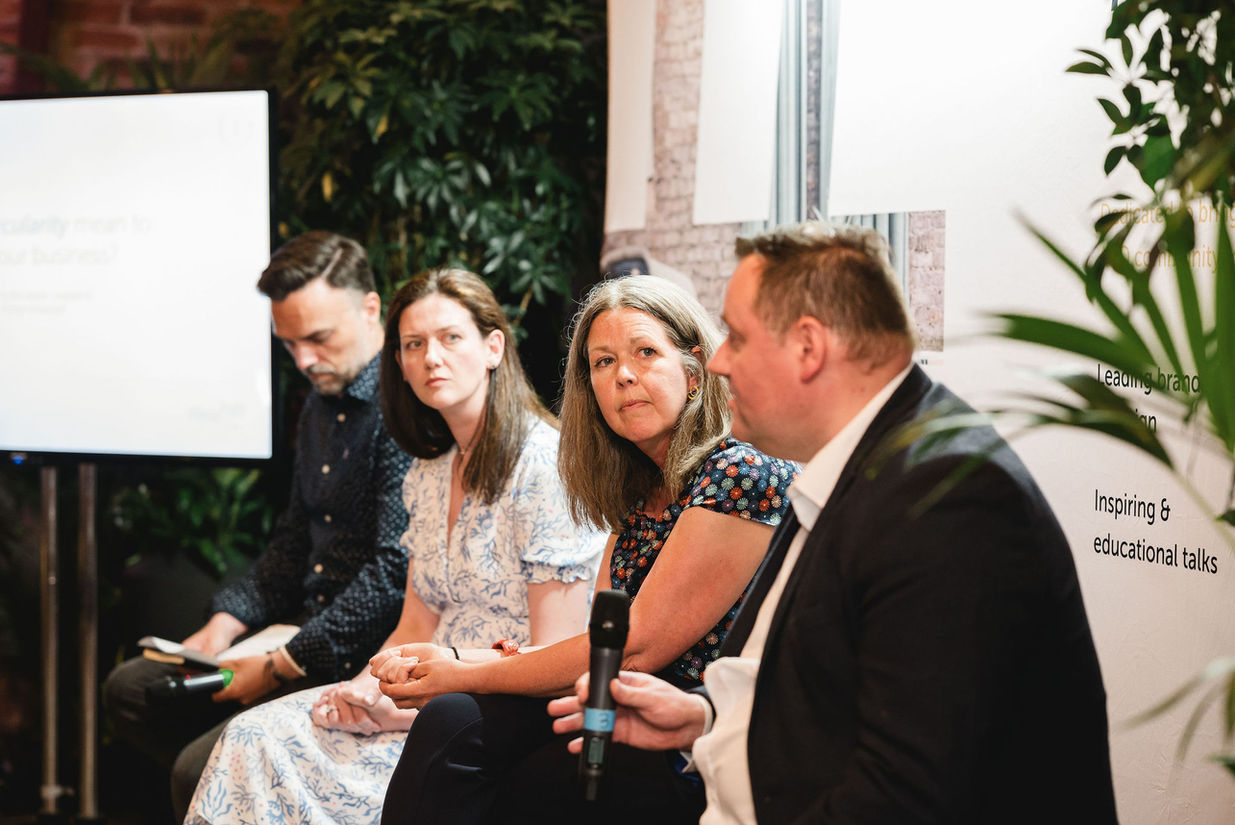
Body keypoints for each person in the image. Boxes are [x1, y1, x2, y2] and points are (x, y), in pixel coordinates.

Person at [550, 221, 1119, 824]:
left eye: (737, 338)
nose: (716, 361)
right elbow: (828, 696)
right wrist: (705, 716)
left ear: (808, 348)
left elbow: (905, 792)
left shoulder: (946, 499)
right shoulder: (869, 463)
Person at [183, 268, 605, 825]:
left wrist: (402, 708)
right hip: (419, 696)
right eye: (413, 344)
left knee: (268, 748)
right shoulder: (429, 473)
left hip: (485, 709)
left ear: (493, 347)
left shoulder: (545, 466)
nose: (432, 357)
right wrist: (364, 690)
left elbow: (554, 653)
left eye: (450, 337)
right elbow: (414, 624)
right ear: (400, 364)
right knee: (252, 733)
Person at [374, 274, 798, 825]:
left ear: (693, 371)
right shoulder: (636, 494)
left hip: (696, 726)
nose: (624, 375)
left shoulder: (740, 472)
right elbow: (597, 646)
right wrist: (452, 659)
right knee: (451, 720)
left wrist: (462, 672)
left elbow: (635, 649)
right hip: (613, 701)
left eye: (645, 352)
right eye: (603, 362)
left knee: (520, 777)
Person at [102, 231, 414, 821]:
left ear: (371, 309)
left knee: (195, 768)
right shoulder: (319, 402)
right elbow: (293, 539)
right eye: (289, 343)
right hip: (291, 633)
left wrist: (280, 664)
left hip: (352, 654)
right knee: (133, 690)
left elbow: (392, 577)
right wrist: (223, 626)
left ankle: (237, 779)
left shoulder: (406, 407)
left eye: (318, 338)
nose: (303, 361)